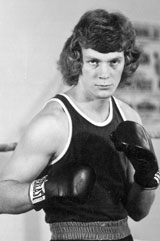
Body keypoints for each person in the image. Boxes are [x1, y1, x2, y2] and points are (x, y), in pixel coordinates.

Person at [0, 9, 159, 241]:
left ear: (126, 60)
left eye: (114, 62)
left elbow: (139, 211)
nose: (104, 74)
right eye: (94, 61)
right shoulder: (53, 122)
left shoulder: (129, 117)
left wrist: (147, 179)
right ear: (78, 59)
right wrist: (45, 188)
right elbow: (2, 195)